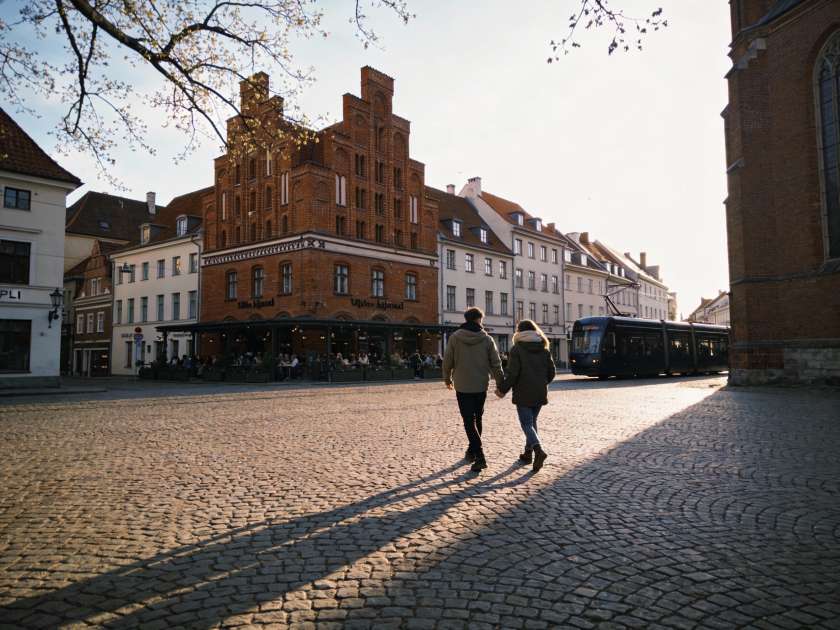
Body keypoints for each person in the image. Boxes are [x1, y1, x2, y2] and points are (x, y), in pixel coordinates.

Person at [443, 307, 504, 473]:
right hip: (480, 385)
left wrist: (447, 378)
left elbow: (447, 360)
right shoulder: (487, 339)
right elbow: (496, 364)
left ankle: (479, 455)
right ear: (478, 319)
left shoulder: (455, 337)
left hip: (462, 385)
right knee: (477, 419)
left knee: (468, 420)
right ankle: (473, 451)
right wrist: (501, 383)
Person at [496, 320, 556, 473]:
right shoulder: (544, 348)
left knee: (526, 424)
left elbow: (513, 374)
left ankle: (538, 450)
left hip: (523, 392)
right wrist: (541, 383)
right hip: (540, 392)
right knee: (532, 422)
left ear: (519, 332)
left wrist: (502, 389)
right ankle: (528, 454)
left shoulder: (517, 349)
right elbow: (552, 372)